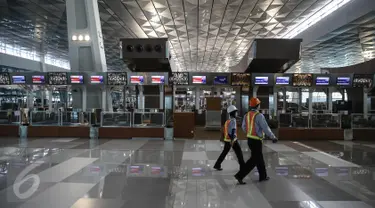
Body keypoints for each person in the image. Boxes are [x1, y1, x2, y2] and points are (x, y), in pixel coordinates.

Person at [234, 97, 278, 185]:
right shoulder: (259, 116)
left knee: (259, 158)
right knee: (254, 160)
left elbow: (243, 127)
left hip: (250, 140)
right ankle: (240, 175)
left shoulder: (247, 115)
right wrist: (273, 137)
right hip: (256, 141)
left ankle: (263, 176)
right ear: (258, 105)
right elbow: (265, 128)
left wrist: (249, 132)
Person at [214, 105, 245, 171]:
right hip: (232, 140)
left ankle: (217, 164)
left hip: (227, 140)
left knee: (224, 152)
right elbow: (233, 131)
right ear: (233, 113)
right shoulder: (233, 120)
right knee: (239, 153)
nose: (237, 113)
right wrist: (232, 140)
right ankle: (243, 167)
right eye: (236, 112)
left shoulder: (227, 121)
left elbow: (226, 131)